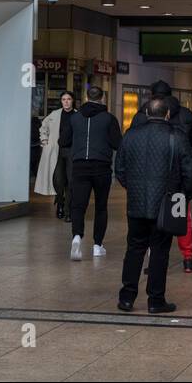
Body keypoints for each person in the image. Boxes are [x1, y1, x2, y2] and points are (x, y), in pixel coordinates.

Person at [114, 97, 192, 313]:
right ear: (167, 114)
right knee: (160, 251)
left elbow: (120, 169)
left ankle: (126, 297)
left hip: (136, 204)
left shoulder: (130, 135)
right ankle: (155, 300)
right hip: (166, 203)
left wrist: (132, 188)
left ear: (145, 113)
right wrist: (183, 194)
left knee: (134, 249)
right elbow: (189, 172)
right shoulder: (177, 137)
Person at [60, 84, 121, 260]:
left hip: (79, 166)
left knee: (78, 206)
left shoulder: (75, 118)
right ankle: (97, 245)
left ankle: (77, 237)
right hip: (101, 167)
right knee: (101, 207)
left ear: (86, 98)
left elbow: (63, 141)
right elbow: (117, 143)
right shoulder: (109, 119)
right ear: (102, 98)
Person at [35, 91, 75, 218]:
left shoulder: (77, 115)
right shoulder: (55, 114)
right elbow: (43, 127)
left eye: (68, 99)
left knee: (70, 181)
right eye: (64, 99)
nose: (66, 101)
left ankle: (67, 210)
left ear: (72, 100)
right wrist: (44, 140)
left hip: (71, 151)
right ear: (61, 101)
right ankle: (60, 201)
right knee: (58, 180)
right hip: (55, 151)